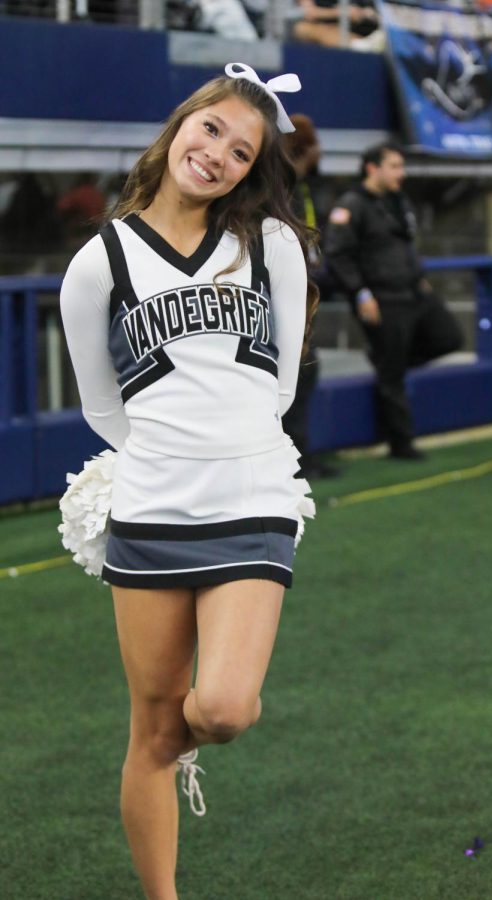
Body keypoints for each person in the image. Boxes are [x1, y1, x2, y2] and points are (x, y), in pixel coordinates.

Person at [60, 62, 317, 900]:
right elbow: (103, 407)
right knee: (152, 734)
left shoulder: (270, 243)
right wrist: (173, 452)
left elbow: (280, 384)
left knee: (223, 710)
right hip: (154, 506)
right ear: (181, 126)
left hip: (252, 498)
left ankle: (198, 735)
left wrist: (228, 443)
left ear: (251, 168)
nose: (218, 155)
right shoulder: (98, 263)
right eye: (210, 131)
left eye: (242, 151)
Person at [324, 140, 463, 460]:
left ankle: (388, 361)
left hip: (413, 291)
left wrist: (418, 277)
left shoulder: (398, 201)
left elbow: (404, 245)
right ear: (373, 168)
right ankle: (401, 443)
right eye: (396, 166)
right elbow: (339, 256)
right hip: (382, 299)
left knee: (449, 337)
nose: (402, 173)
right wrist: (361, 294)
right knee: (393, 376)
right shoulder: (352, 205)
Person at [281, 113, 339, 479]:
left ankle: (300, 454)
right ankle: (293, 459)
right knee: (297, 373)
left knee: (305, 372)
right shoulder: (280, 187)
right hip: (283, 296)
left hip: (304, 292)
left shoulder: (303, 187)